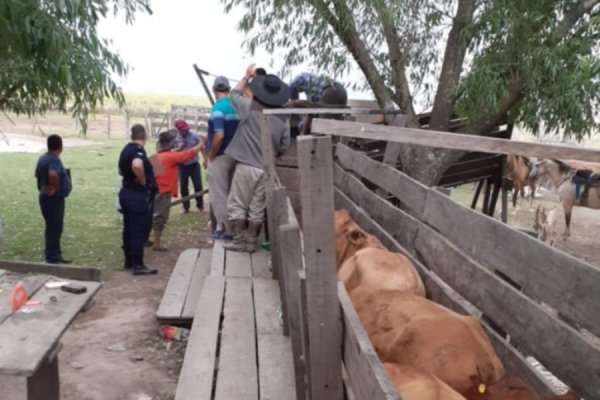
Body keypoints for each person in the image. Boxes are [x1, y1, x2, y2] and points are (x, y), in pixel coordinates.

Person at [224, 64, 291, 253]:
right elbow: (284, 146)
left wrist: (246, 77)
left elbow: (234, 95)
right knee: (257, 207)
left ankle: (239, 241)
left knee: (237, 203)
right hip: (267, 168)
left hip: (246, 164)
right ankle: (251, 242)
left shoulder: (249, 107)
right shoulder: (283, 119)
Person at [152, 130, 204, 251]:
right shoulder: (171, 157)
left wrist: (179, 149)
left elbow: (170, 156)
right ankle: (157, 244)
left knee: (152, 215)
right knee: (160, 217)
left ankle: (147, 240)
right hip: (163, 191)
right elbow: (188, 154)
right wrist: (201, 143)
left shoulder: (155, 156)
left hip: (154, 190)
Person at [118, 124, 158, 276]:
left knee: (128, 228)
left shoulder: (125, 149)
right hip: (136, 195)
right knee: (138, 229)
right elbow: (137, 165)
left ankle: (128, 260)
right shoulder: (138, 151)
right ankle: (138, 264)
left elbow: (121, 170)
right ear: (145, 136)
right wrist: (142, 180)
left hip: (126, 192)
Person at [206, 76, 240, 239]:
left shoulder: (217, 108)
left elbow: (219, 135)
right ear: (228, 89)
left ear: (214, 90)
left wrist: (210, 155)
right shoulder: (236, 106)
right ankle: (235, 226)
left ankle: (226, 229)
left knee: (218, 193)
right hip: (237, 153)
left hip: (220, 155)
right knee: (235, 193)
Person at [35, 134, 72, 264]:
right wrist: (55, 188)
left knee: (53, 227)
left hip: (45, 199)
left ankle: (55, 254)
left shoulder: (42, 158)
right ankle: (52, 256)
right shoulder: (54, 160)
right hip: (53, 199)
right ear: (60, 146)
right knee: (54, 227)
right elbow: (53, 173)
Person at [174, 119, 205, 214]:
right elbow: (172, 151)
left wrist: (206, 159)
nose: (186, 131)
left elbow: (202, 148)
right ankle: (185, 207)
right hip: (182, 165)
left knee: (198, 185)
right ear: (178, 130)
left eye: (186, 129)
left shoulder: (195, 135)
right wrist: (179, 149)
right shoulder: (175, 138)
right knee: (183, 187)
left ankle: (200, 206)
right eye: (183, 129)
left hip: (194, 165)